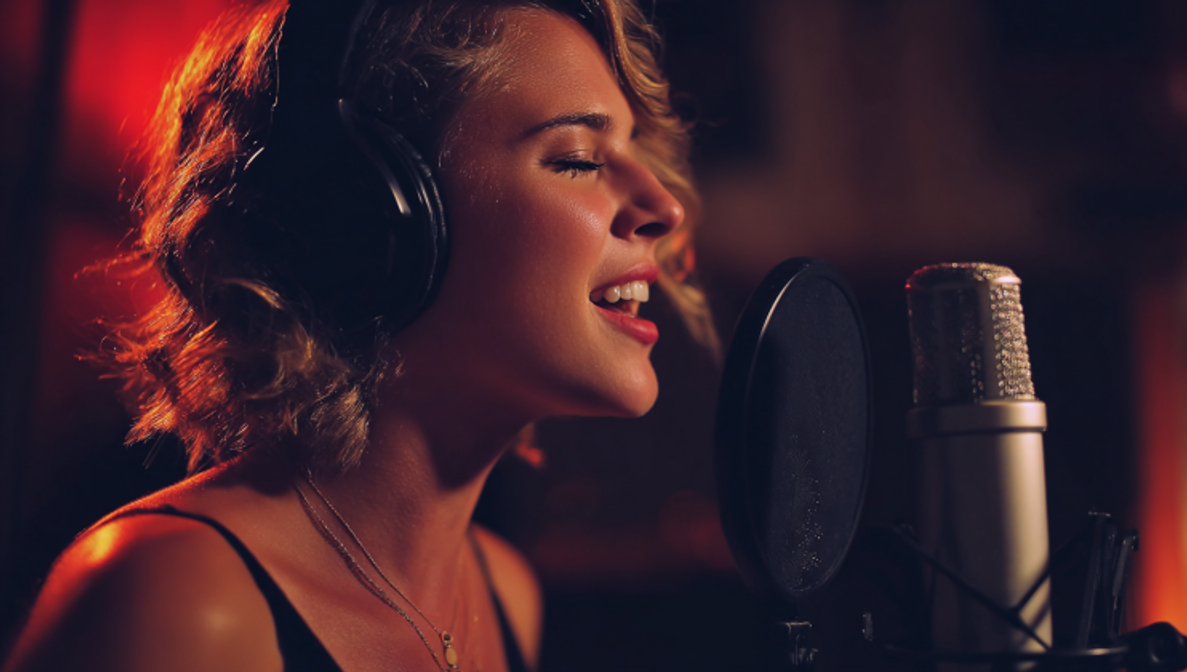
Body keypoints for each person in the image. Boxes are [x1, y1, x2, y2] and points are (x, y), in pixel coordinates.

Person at [3, 0, 716, 670]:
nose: (664, 206)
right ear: (387, 216)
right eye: (579, 160)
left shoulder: (505, 594)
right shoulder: (180, 602)